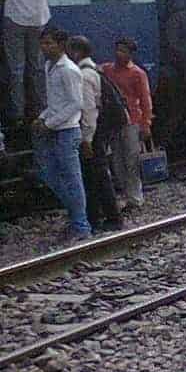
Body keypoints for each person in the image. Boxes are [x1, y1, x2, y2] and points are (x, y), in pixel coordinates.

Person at [32, 28, 90, 240]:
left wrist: (49, 123)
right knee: (49, 174)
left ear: (61, 45)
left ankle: (81, 225)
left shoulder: (68, 70)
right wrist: (43, 117)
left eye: (49, 43)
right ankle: (76, 216)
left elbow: (76, 103)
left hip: (67, 131)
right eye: (43, 43)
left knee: (72, 179)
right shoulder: (49, 67)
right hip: (55, 128)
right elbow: (56, 102)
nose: (44, 48)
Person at [68, 35, 123, 233]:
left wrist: (87, 139)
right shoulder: (94, 70)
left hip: (94, 132)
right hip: (99, 130)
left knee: (96, 175)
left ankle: (110, 217)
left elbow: (89, 110)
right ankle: (99, 216)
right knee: (96, 174)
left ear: (77, 52)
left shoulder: (84, 76)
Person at [2, 0, 54, 127]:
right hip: (39, 19)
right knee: (37, 67)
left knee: (16, 68)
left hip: (14, 19)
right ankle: (41, 108)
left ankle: (18, 113)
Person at [101, 37, 152, 211]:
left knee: (131, 159)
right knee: (117, 159)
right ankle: (126, 193)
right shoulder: (107, 69)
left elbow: (145, 99)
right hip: (115, 120)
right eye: (117, 50)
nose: (119, 54)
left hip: (132, 119)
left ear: (131, 54)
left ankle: (135, 197)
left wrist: (146, 123)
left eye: (123, 51)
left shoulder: (137, 73)